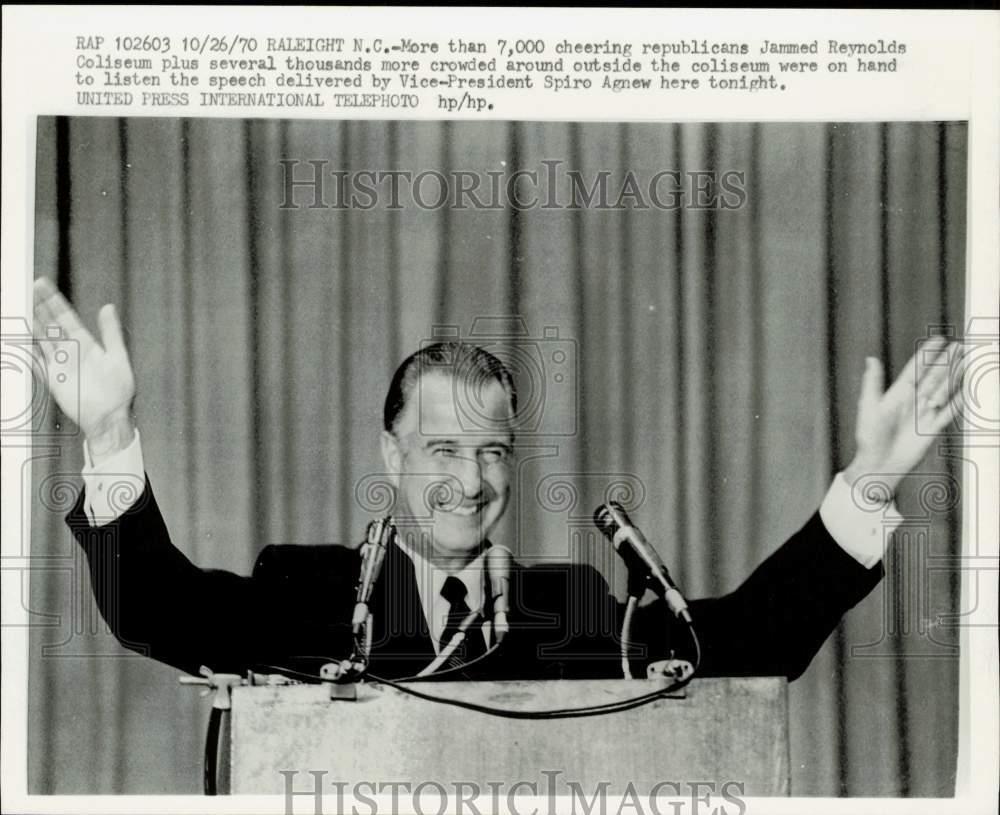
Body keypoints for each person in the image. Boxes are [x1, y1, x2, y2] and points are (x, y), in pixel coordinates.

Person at [32, 277, 963, 683]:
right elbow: (156, 609)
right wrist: (109, 432)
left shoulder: (574, 607)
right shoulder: (307, 589)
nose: (470, 481)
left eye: (491, 452)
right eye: (441, 449)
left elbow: (746, 641)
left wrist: (870, 479)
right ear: (392, 455)